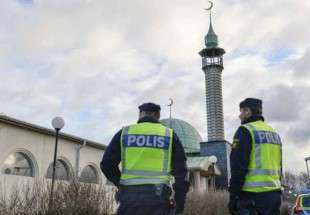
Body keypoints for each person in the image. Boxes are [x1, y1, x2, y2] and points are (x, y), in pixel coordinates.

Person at [100, 102, 189, 215]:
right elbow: (182, 173)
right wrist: (179, 203)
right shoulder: (169, 135)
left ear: (140, 115)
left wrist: (121, 183)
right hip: (159, 202)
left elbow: (106, 164)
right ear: (158, 116)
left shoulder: (124, 133)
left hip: (129, 202)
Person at [228, 98, 282, 215]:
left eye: (241, 111)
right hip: (274, 197)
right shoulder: (274, 133)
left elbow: (238, 166)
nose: (239, 116)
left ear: (248, 112)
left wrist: (233, 196)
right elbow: (280, 166)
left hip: (252, 198)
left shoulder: (245, 130)